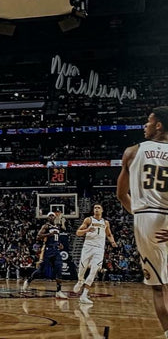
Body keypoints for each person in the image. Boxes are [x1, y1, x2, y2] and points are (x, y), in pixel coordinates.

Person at [117, 106, 168, 338]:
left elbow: (121, 195)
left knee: (158, 287)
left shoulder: (132, 152)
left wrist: (138, 214)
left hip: (147, 217)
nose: (144, 125)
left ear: (158, 125)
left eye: (148, 121)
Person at [73, 203, 117, 304]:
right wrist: (87, 230)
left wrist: (113, 242)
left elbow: (109, 234)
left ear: (102, 210)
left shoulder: (105, 222)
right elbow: (78, 232)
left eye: (98, 208)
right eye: (95, 208)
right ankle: (80, 280)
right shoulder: (88, 220)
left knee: (94, 270)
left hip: (99, 249)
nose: (96, 209)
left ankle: (84, 295)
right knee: (82, 268)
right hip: (88, 247)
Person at [22, 212, 68, 299]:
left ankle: (59, 291)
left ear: (55, 217)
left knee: (59, 269)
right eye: (49, 215)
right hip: (48, 250)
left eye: (52, 216)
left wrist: (60, 244)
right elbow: (38, 236)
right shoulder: (46, 226)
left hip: (56, 250)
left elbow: (56, 238)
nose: (51, 217)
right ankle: (28, 280)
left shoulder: (57, 227)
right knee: (41, 271)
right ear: (47, 218)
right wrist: (48, 234)